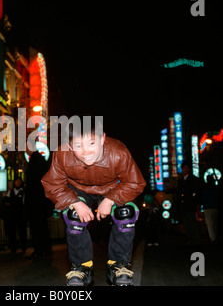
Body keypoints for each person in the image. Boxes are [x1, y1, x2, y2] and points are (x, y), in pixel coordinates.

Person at [41, 116, 146, 286]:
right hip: (79, 189)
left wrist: (111, 199)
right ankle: (82, 267)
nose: (86, 151)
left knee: (126, 213)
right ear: (69, 146)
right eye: (78, 146)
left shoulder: (118, 152)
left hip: (113, 188)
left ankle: (118, 265)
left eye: (91, 143)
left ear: (102, 139)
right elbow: (52, 185)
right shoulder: (61, 155)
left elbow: (135, 182)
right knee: (73, 215)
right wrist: (75, 202)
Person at [25, 144, 52, 259]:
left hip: (37, 200)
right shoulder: (38, 159)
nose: (25, 150)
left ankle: (41, 249)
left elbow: (36, 182)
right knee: (40, 226)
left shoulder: (36, 161)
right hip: (39, 200)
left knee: (38, 226)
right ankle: (42, 249)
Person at [176, 162, 202, 247]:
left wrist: (198, 204)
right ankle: (190, 239)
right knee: (187, 224)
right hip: (184, 207)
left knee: (193, 224)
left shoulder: (194, 180)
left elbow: (197, 192)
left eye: (187, 168)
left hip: (192, 205)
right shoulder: (180, 181)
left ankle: (196, 241)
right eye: (184, 168)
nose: (185, 170)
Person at [0, 177, 27, 254]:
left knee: (22, 232)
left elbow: (24, 204)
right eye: (16, 181)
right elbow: (5, 200)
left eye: (19, 181)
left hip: (21, 215)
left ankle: (23, 247)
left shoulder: (23, 192)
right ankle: (13, 248)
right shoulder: (10, 192)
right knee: (12, 232)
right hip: (12, 215)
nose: (17, 183)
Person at [202, 175, 219, 244]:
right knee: (215, 223)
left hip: (207, 207)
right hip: (215, 207)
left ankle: (212, 238)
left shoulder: (205, 188)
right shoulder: (216, 188)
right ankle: (215, 237)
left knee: (210, 224)